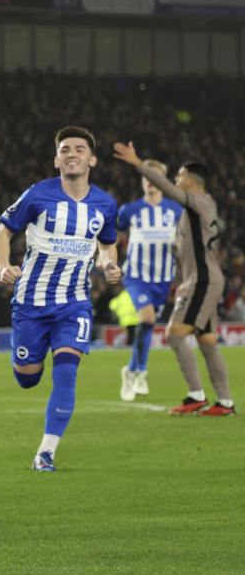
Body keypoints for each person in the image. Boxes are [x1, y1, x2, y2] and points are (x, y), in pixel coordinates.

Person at [0, 126, 121, 473]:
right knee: (28, 377)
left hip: (74, 303)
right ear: (56, 159)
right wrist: (4, 266)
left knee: (66, 374)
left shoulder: (105, 204)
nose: (72, 154)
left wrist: (109, 264)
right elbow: (3, 230)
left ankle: (45, 453)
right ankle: (33, 358)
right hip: (31, 303)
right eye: (65, 149)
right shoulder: (38, 195)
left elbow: (107, 243)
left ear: (91, 159)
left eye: (79, 149)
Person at [113, 142, 235, 416]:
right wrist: (181, 278)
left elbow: (166, 188)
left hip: (203, 281)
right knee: (208, 343)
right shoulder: (199, 207)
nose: (175, 181)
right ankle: (225, 402)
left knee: (174, 335)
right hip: (201, 279)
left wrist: (137, 162)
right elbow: (184, 249)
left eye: (179, 176)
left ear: (190, 181)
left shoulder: (196, 200)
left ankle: (195, 396)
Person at [114, 159, 183, 401]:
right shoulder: (129, 210)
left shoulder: (176, 210)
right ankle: (141, 372)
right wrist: (109, 259)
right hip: (136, 275)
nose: (149, 183)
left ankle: (131, 370)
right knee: (147, 317)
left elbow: (185, 243)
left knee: (149, 324)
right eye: (146, 178)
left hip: (163, 278)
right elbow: (111, 236)